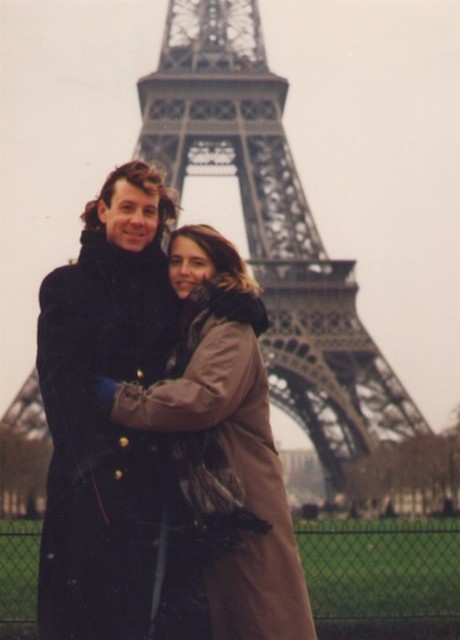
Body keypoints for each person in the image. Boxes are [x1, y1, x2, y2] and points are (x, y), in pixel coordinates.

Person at [36, 162, 268, 640]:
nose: (139, 220)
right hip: (97, 493)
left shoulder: (168, 291)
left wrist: (240, 300)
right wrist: (97, 489)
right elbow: (63, 399)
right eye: (127, 208)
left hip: (158, 494)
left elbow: (206, 314)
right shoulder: (67, 287)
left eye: (149, 211)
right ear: (102, 211)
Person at [93, 224, 319, 640]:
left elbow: (201, 399)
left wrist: (118, 400)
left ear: (219, 271)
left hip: (238, 499)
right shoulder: (195, 326)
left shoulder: (229, 327)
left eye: (197, 262)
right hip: (215, 501)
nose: (183, 271)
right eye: (175, 261)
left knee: (254, 615)